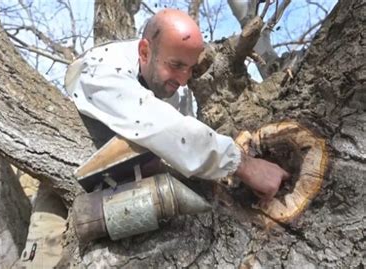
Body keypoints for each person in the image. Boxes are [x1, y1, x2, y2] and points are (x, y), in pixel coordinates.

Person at [19, 8, 290, 268]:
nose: (183, 80)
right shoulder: (101, 69)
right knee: (43, 262)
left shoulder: (176, 90)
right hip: (67, 190)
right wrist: (243, 165)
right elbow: (158, 124)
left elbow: (181, 145)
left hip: (133, 198)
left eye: (190, 69)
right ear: (145, 51)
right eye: (176, 65)